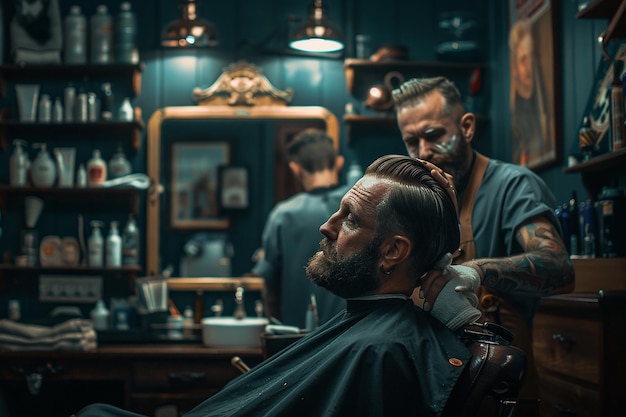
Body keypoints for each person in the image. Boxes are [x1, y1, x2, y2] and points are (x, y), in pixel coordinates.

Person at [72, 155, 476, 417]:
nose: (326, 226)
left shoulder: (381, 350)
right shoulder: (371, 330)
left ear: (392, 252)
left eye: (349, 219)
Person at [391, 76, 575, 407]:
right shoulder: (420, 204)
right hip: (440, 387)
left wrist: (477, 271)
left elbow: (558, 266)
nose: (423, 152)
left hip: (503, 388)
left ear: (467, 127)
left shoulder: (513, 186)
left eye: (434, 135)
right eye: (411, 142)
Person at [251, 128, 351, 328]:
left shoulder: (282, 215)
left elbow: (266, 278)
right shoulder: (356, 206)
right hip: (351, 331)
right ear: (339, 163)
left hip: (299, 337)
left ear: (295, 169)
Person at [509, 18, 552, 167]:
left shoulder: (545, 104)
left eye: (532, 57)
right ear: (514, 68)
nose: (529, 66)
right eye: (523, 59)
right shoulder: (517, 116)